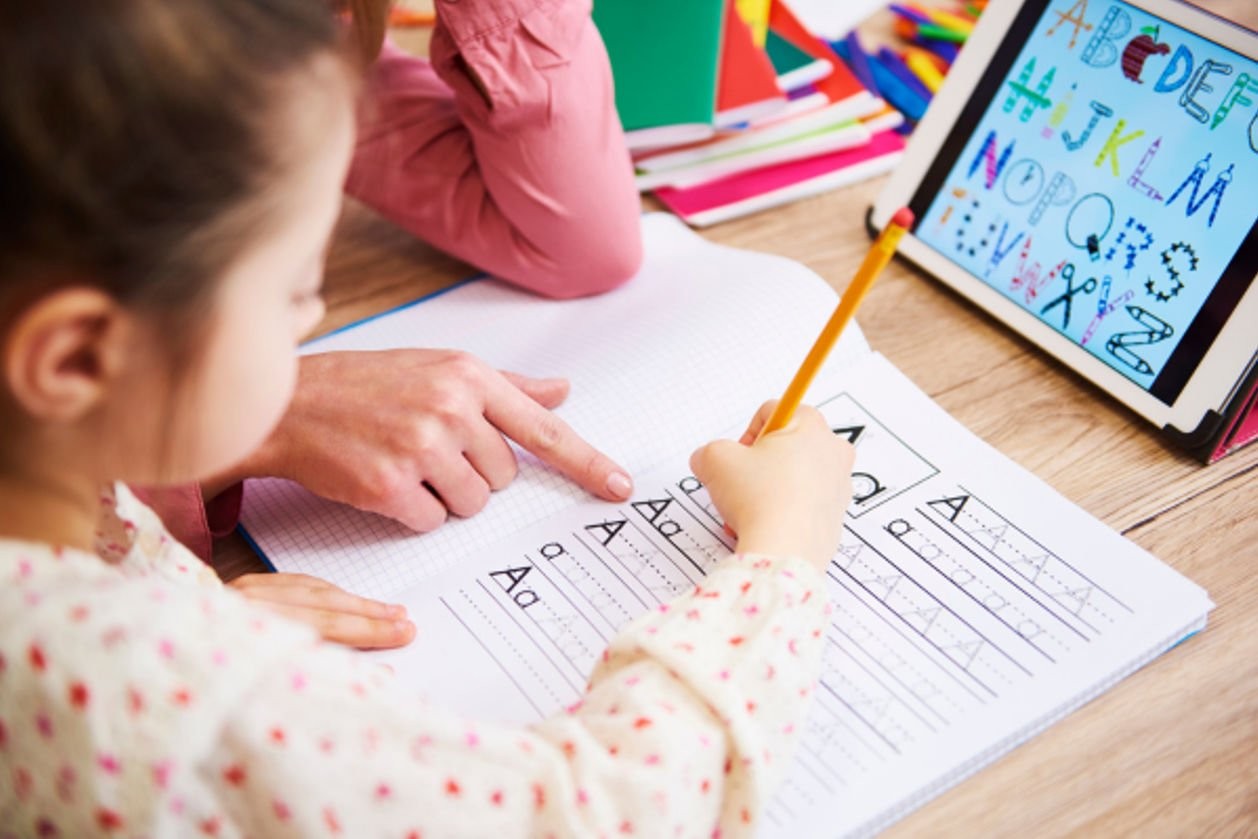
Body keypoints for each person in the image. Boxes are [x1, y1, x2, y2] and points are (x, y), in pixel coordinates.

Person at [0, 0, 856, 835]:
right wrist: (783, 552)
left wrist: (173, 600)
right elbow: (593, 809)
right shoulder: (173, 693)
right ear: (75, 358)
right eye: (295, 287)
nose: (314, 316)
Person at [140, 0, 650, 648]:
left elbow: (585, 244)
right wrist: (247, 415)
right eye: (298, 292)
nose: (313, 314)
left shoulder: (300, 46)